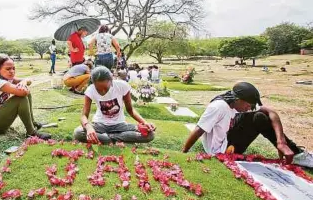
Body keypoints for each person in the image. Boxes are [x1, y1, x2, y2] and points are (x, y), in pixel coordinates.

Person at [182, 82, 313, 168]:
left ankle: (297, 154)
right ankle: (298, 156)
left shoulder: (234, 102)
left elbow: (271, 111)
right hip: (221, 149)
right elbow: (198, 130)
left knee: (260, 115)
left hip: (228, 138)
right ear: (239, 100)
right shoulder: (218, 107)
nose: (249, 108)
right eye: (248, 105)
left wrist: (281, 141)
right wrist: (183, 154)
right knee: (259, 117)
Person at [0, 55, 51, 140]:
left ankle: (33, 123)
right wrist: (23, 84)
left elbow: (29, 80)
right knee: (21, 98)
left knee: (25, 94)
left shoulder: (7, 79)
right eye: (8, 69)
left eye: (13, 68)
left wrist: (24, 81)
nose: (12, 71)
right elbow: (23, 92)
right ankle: (31, 133)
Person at [73, 66, 156, 144]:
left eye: (105, 88)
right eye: (98, 88)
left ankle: (107, 138)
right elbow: (84, 115)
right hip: (99, 125)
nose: (102, 91)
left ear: (111, 80)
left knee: (150, 135)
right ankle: (115, 138)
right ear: (93, 83)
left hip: (120, 125)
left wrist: (145, 123)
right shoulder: (90, 90)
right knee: (78, 132)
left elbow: (130, 110)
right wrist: (89, 128)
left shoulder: (122, 86)